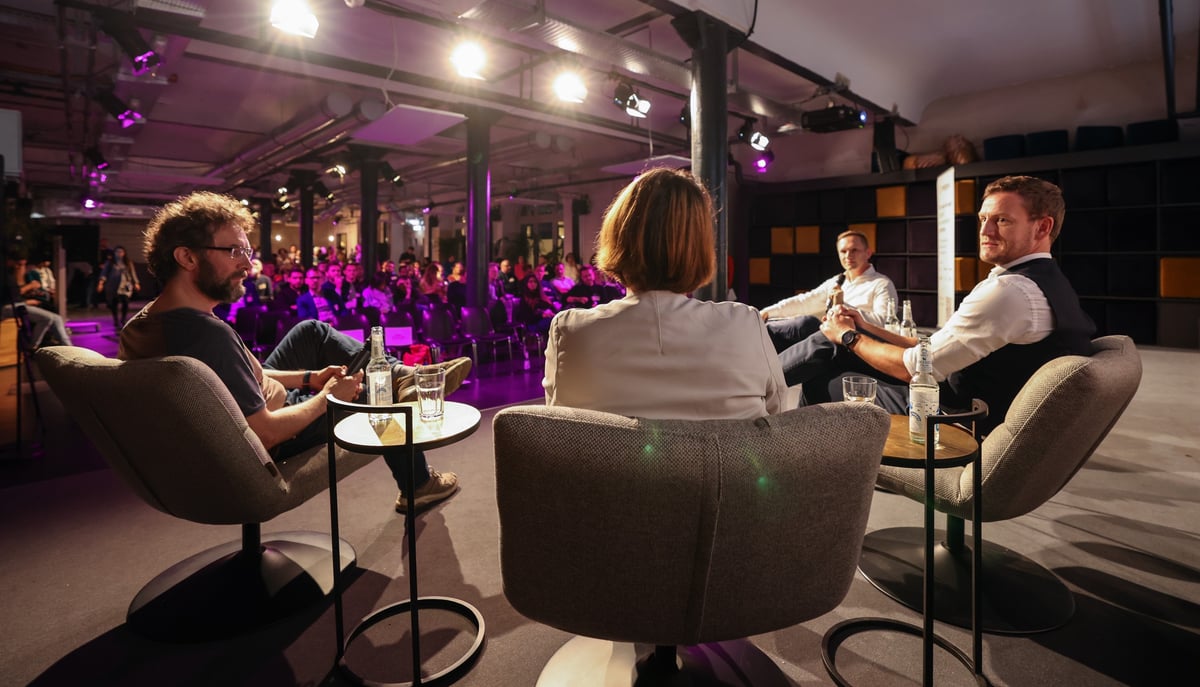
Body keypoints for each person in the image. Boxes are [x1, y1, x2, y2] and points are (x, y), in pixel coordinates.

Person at [118, 191, 472, 511]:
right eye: (235, 251)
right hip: (276, 432)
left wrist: (311, 378)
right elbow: (265, 433)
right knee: (377, 398)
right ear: (187, 257)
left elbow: (239, 375)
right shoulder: (207, 335)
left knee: (310, 332)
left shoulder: (143, 325)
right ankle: (418, 483)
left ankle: (402, 375)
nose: (247, 263)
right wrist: (328, 397)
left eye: (247, 251)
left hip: (250, 411)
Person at [816, 175, 1095, 434]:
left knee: (824, 376)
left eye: (1002, 221)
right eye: (983, 218)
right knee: (828, 351)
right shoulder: (1050, 283)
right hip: (977, 408)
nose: (985, 230)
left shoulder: (1011, 291)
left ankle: (823, 472)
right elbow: (934, 346)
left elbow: (915, 369)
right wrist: (865, 327)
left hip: (958, 422)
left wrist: (848, 336)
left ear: (1042, 227)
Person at [544, 168, 786, 419]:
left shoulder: (571, 332)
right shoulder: (745, 324)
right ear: (700, 248)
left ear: (616, 238)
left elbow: (559, 431)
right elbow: (776, 419)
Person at [761, 230, 898, 386]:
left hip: (857, 343)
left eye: (854, 250)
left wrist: (843, 306)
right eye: (843, 251)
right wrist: (767, 311)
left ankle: (761, 382)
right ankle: (754, 347)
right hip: (832, 335)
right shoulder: (837, 281)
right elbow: (805, 301)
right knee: (798, 325)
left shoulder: (881, 284)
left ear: (868, 253)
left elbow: (885, 323)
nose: (848, 255)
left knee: (807, 323)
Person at [3, 253, 72, 348]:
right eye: (19, 264)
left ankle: (69, 347)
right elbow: (10, 297)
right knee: (47, 318)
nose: (20, 267)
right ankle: (32, 347)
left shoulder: (13, 276)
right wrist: (27, 294)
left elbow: (17, 293)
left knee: (56, 318)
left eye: (23, 265)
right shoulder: (6, 277)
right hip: (7, 307)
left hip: (18, 304)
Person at [98, 245, 140, 328]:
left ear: (124, 253)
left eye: (121, 252)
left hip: (125, 286)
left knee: (125, 302)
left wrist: (136, 283)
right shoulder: (110, 263)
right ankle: (116, 320)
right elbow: (104, 274)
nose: (119, 253)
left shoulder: (128, 262)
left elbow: (133, 273)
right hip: (114, 286)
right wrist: (101, 283)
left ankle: (123, 319)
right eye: (117, 252)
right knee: (114, 303)